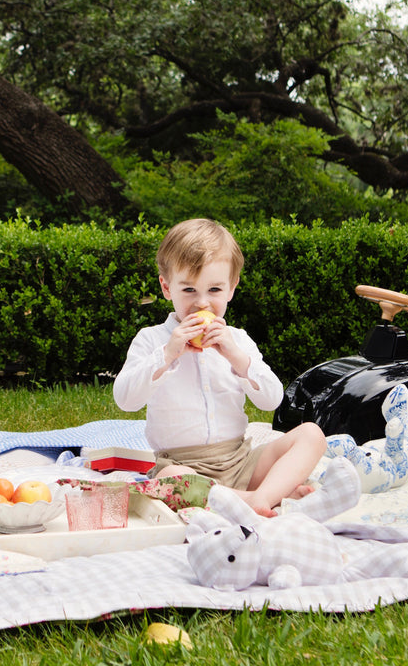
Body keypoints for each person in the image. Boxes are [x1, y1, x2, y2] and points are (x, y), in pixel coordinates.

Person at [113, 218, 326, 516]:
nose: (202, 304)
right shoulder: (152, 341)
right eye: (188, 290)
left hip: (241, 461)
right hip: (183, 465)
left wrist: (237, 358)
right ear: (166, 287)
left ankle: (250, 495)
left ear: (231, 288)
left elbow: (273, 399)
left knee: (312, 435)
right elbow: (125, 400)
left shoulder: (237, 340)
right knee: (170, 480)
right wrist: (166, 355)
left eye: (214, 290)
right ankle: (260, 498)